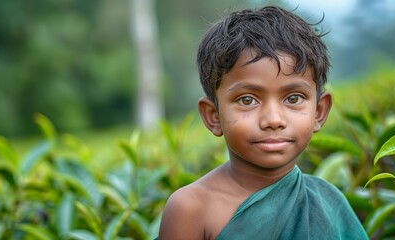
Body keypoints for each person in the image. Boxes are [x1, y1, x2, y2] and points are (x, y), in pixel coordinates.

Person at [157, 6, 369, 240]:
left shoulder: (329, 204)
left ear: (319, 111)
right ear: (213, 116)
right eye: (247, 100)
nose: (273, 120)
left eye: (293, 98)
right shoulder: (192, 208)